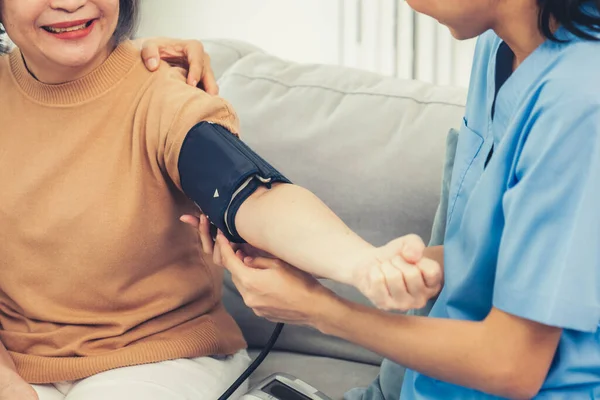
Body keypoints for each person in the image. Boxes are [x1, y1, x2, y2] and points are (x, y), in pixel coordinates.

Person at [0, 1, 443, 399]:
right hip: (19, 363)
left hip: (159, 360)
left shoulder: (160, 95)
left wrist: (362, 263)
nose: (68, 2)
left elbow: (255, 198)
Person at [206, 0, 600, 399]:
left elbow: (512, 365)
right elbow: (505, 259)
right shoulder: (500, 48)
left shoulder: (580, 102)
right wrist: (353, 263)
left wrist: (319, 310)